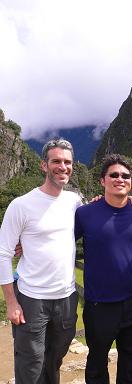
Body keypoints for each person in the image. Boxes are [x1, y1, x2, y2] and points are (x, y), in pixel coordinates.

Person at [0, 139, 81, 384]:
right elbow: (3, 253)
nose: (62, 166)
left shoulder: (75, 201)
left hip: (66, 297)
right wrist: (11, 302)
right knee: (30, 362)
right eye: (56, 161)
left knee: (54, 359)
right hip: (32, 298)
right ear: (43, 165)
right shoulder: (21, 205)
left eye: (67, 162)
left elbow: (95, 224)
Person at [74, 154, 132, 384]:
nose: (120, 179)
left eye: (125, 176)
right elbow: (60, 243)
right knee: (97, 362)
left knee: (131, 362)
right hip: (99, 304)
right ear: (102, 181)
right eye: (113, 175)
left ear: (131, 182)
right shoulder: (85, 213)